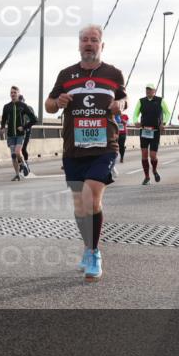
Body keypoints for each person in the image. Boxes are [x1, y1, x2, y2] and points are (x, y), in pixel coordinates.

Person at [46, 24, 126, 283]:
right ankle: (87, 246)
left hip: (104, 146)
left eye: (93, 40)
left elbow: (124, 99)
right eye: (84, 40)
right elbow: (48, 105)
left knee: (91, 199)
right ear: (79, 44)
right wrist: (57, 102)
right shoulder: (66, 74)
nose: (88, 44)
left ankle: (94, 252)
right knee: (80, 207)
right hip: (73, 148)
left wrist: (120, 103)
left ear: (102, 45)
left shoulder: (113, 74)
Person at [134, 83, 170, 186]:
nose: (148, 91)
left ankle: (154, 170)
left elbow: (167, 113)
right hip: (144, 130)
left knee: (153, 156)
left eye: (150, 90)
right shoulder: (141, 101)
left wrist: (164, 123)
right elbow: (135, 114)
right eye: (147, 90)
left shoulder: (160, 100)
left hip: (155, 131)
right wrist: (135, 121)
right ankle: (147, 177)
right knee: (144, 154)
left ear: (154, 91)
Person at [0, 86, 36, 181]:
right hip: (10, 135)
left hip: (20, 134)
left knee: (17, 152)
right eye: (11, 92)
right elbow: (3, 119)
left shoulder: (23, 106)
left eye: (14, 92)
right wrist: (2, 128)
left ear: (18, 94)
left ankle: (24, 164)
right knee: (13, 155)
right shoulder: (6, 106)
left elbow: (34, 119)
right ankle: (17, 174)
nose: (13, 94)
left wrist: (24, 127)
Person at [18, 94, 36, 175]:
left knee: (23, 148)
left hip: (27, 131)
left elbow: (34, 119)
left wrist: (26, 126)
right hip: (18, 132)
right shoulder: (15, 109)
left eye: (21, 100)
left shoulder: (29, 108)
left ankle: (26, 163)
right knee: (17, 150)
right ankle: (21, 165)